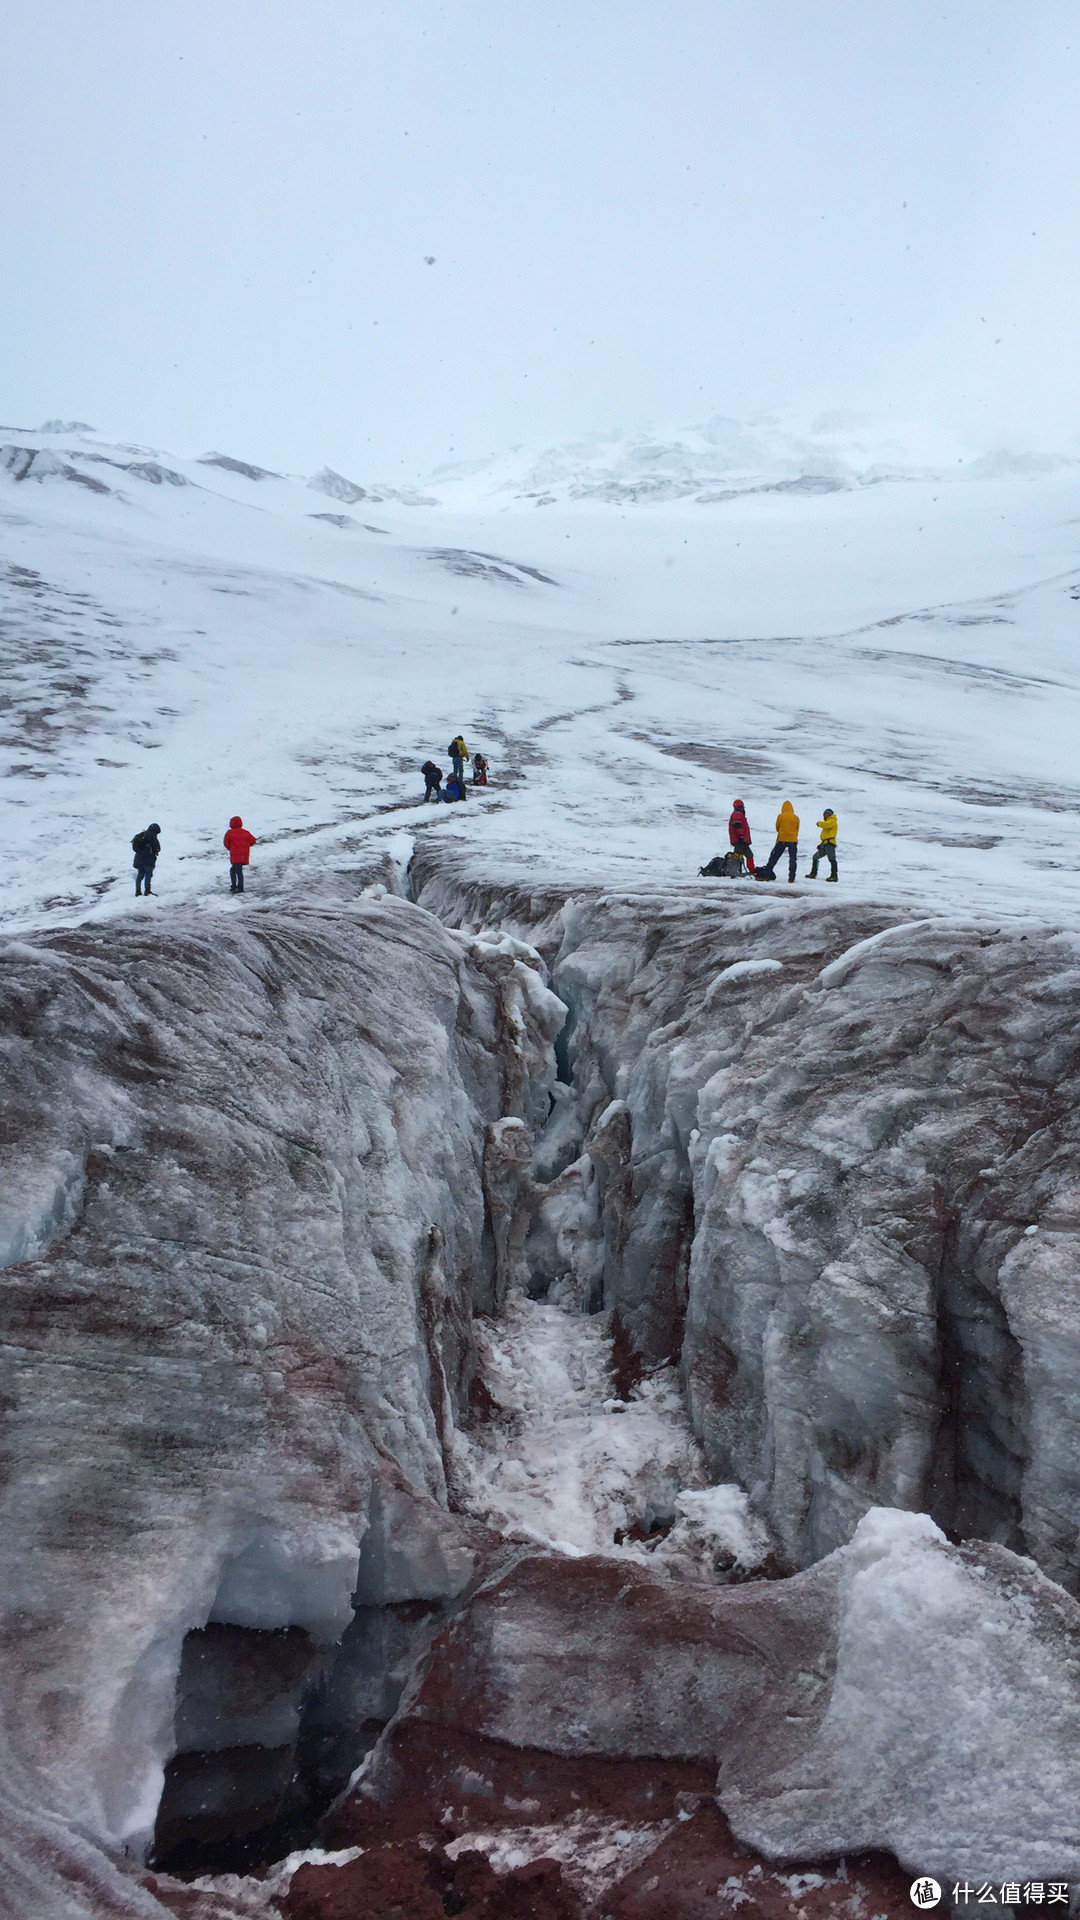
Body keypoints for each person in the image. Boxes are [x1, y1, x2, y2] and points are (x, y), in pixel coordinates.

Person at [757, 801, 800, 882]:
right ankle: (791, 878)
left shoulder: (781, 816)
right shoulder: (796, 817)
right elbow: (797, 828)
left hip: (782, 839)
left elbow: (777, 827)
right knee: (792, 860)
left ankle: (767, 874)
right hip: (793, 841)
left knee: (774, 857)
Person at [223, 814, 257, 892]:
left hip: (235, 855)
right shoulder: (245, 832)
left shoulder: (229, 833)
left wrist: (231, 848)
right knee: (237, 870)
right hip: (244, 855)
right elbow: (253, 840)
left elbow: (226, 843)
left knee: (235, 871)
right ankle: (238, 886)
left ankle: (236, 887)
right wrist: (245, 846)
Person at [807, 809, 839, 880]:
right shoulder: (828, 822)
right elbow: (826, 835)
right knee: (815, 857)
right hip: (825, 844)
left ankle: (834, 876)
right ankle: (813, 874)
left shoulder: (832, 821)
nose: (825, 815)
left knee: (832, 859)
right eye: (825, 814)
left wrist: (818, 823)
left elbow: (826, 825)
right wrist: (821, 844)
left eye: (827, 814)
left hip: (830, 844)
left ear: (830, 814)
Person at [131, 823, 161, 896]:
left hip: (139, 858)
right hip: (148, 858)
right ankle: (147, 891)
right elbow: (156, 847)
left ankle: (137, 891)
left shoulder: (142, 834)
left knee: (140, 874)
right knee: (148, 874)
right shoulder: (152, 835)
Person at [728, 799, 756, 875]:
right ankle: (735, 870)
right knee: (739, 855)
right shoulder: (737, 814)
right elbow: (737, 826)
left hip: (740, 840)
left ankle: (750, 870)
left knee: (746, 855)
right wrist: (741, 836)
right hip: (740, 840)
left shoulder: (737, 814)